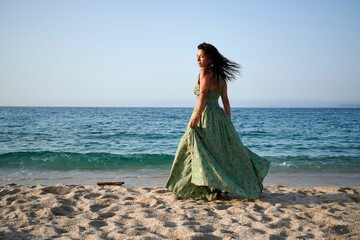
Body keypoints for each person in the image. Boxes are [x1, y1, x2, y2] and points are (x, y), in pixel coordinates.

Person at [166, 42, 270, 201]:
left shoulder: (204, 72)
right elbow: (226, 102)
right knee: (215, 154)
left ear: (210, 57)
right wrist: (228, 122)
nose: (198, 60)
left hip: (204, 115)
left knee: (191, 149)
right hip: (219, 118)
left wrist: (195, 117)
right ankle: (217, 188)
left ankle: (193, 187)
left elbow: (202, 97)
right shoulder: (221, 77)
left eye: (201, 56)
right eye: (197, 57)